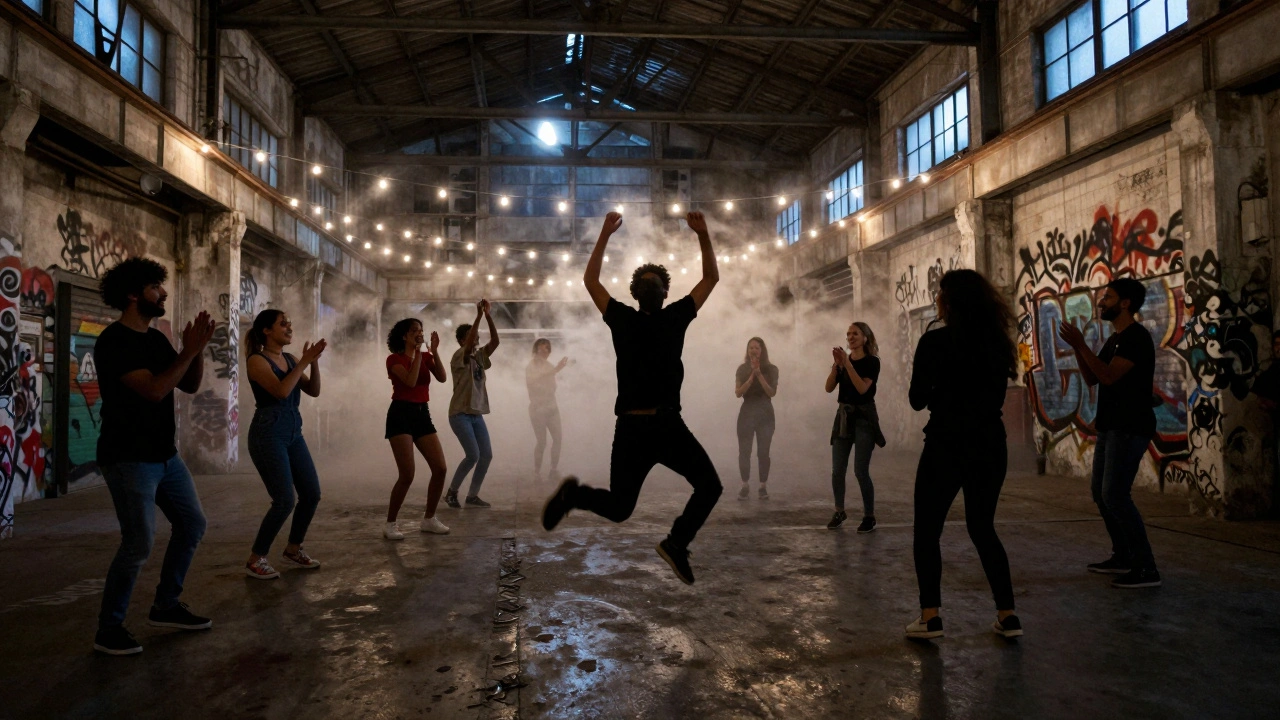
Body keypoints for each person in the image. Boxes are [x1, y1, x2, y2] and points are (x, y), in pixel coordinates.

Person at [541, 211, 722, 585]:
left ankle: (676, 543)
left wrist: (703, 235)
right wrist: (604, 234)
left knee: (710, 486)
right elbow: (590, 280)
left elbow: (711, 278)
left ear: (665, 291)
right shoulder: (621, 317)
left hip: (669, 424)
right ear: (636, 293)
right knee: (621, 508)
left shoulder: (676, 316)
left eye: (655, 282)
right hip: (633, 429)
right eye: (645, 282)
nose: (650, 285)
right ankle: (574, 495)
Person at [92, 257, 216, 656]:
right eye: (155, 288)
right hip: (129, 459)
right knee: (138, 543)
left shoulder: (157, 339)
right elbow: (155, 390)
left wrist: (195, 352)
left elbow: (190, 385)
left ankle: (166, 605)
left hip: (165, 456)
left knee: (192, 524)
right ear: (133, 294)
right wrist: (188, 350)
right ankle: (108, 629)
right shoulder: (114, 342)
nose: (163, 293)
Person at [906, 269, 1022, 640]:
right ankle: (1007, 615)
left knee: (927, 530)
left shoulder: (935, 342)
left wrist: (939, 382)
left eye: (940, 294)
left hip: (946, 443)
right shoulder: (997, 343)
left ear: (949, 301)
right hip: (990, 442)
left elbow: (916, 399)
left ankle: (930, 617)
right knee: (983, 528)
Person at [1059, 277, 1162, 589]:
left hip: (1130, 428)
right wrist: (1079, 350)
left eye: (1108, 297)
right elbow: (1093, 377)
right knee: (1101, 495)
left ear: (1125, 303)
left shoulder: (1135, 338)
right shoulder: (1115, 339)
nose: (1101, 302)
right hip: (1111, 427)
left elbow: (1108, 376)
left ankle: (1146, 568)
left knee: (1115, 496)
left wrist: (1079, 343)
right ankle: (1123, 555)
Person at [242, 310, 327, 579]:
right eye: (283, 323)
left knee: (311, 493)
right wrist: (304, 361)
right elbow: (280, 391)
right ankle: (257, 558)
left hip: (293, 431)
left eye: (289, 323)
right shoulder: (257, 361)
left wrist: (312, 363)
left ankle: (293, 548)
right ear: (267, 330)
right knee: (284, 500)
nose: (289, 327)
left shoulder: (290, 359)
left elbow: (313, 390)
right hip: (268, 434)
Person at [383, 318, 450, 539]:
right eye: (414, 331)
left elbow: (441, 377)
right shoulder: (394, 359)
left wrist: (435, 352)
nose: (419, 334)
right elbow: (410, 382)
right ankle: (391, 523)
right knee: (407, 474)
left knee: (440, 468)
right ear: (404, 336)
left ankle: (429, 518)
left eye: (420, 330)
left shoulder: (426, 356)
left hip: (422, 413)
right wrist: (418, 353)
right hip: (400, 414)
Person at [824, 322, 884, 531]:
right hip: (843, 417)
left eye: (855, 333)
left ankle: (869, 515)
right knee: (837, 470)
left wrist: (847, 365)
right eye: (848, 334)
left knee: (860, 470)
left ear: (865, 337)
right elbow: (829, 388)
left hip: (864, 419)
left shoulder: (872, 362)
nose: (850, 337)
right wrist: (836, 367)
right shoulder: (843, 362)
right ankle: (839, 510)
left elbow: (862, 390)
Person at [446, 300, 500, 508]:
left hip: (475, 413)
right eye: (470, 335)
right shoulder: (459, 356)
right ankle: (452, 492)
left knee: (486, 455)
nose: (475, 338)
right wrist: (477, 316)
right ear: (461, 340)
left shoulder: (479, 356)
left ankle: (472, 495)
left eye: (476, 335)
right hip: (459, 414)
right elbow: (469, 346)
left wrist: (487, 316)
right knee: (473, 455)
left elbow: (495, 341)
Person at [734, 337, 778, 500]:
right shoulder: (742, 369)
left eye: (756, 348)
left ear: (762, 350)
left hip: (765, 412)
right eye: (750, 347)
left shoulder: (772, 369)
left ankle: (762, 486)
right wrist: (752, 375)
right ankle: (745, 484)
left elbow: (771, 392)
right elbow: (738, 392)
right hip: (747, 411)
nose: (753, 350)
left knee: (763, 451)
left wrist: (759, 373)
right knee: (744, 451)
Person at [527, 338, 568, 480]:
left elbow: (552, 387)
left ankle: (553, 469)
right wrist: (554, 370)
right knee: (542, 442)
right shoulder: (531, 366)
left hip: (551, 408)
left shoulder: (549, 365)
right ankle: (537, 472)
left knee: (558, 439)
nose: (544, 352)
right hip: (538, 410)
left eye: (546, 349)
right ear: (535, 350)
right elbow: (533, 381)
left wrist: (554, 371)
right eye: (541, 349)